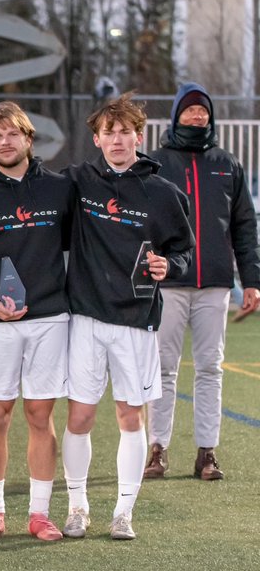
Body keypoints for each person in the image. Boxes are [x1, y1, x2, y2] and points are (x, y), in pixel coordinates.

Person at [58, 94, 193, 540]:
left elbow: (184, 252)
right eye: (108, 132)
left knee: (129, 416)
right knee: (80, 416)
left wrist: (168, 267)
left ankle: (123, 512)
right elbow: (30, 186)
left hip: (136, 321)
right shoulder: (77, 181)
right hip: (86, 318)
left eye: (125, 131)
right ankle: (77, 506)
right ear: (96, 139)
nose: (117, 139)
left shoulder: (163, 192)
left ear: (140, 135)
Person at [0, 102, 73, 542]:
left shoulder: (61, 188)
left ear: (28, 139)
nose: (5, 142)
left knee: (40, 414)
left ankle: (40, 515)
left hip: (49, 317)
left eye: (13, 134)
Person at [145, 84, 260, 481]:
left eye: (203, 111)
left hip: (214, 284)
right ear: (176, 115)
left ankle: (206, 453)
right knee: (162, 368)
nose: (197, 117)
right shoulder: (155, 161)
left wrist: (251, 280)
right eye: (190, 110)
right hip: (170, 284)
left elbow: (245, 226)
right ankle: (157, 449)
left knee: (211, 367)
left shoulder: (227, 163)